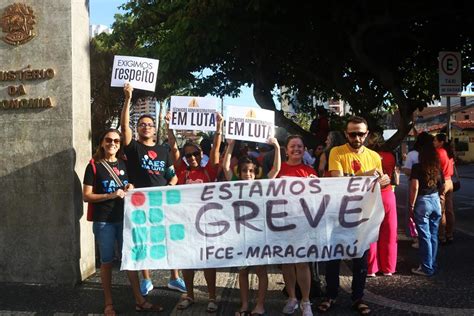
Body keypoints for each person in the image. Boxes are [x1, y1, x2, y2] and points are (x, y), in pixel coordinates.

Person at [83, 129, 163, 314]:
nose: (113, 143)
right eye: (109, 140)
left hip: (125, 219)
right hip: (104, 221)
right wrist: (110, 195)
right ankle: (109, 303)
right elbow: (86, 196)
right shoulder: (94, 166)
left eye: (116, 141)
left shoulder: (124, 164)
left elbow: (131, 184)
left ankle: (139, 300)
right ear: (102, 143)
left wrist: (130, 186)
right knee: (107, 262)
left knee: (129, 260)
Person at [318, 116, 390, 316]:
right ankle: (330, 295)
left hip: (362, 215)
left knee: (361, 258)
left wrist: (383, 180)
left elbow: (377, 183)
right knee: (333, 257)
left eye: (360, 133)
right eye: (352, 134)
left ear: (367, 134)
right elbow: (338, 181)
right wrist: (366, 175)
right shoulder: (336, 152)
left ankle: (358, 297)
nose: (357, 137)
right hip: (338, 213)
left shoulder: (375, 156)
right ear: (345, 134)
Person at [120, 83, 185, 296]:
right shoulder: (133, 148)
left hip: (162, 202)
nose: (146, 127)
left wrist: (170, 186)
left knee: (170, 237)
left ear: (155, 129)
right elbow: (124, 129)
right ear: (137, 129)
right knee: (142, 239)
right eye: (142, 125)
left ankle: (175, 277)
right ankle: (146, 279)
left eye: (149, 124)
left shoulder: (163, 150)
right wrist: (128, 99)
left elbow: (172, 175)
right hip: (139, 202)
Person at [167, 111, 224, 313]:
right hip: (185, 221)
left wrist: (218, 127)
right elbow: (173, 148)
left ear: (202, 155)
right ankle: (189, 295)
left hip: (207, 222)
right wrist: (169, 128)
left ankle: (211, 297)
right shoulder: (181, 170)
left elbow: (217, 147)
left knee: (208, 260)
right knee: (187, 259)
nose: (191, 157)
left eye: (195, 154)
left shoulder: (210, 169)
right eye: (188, 155)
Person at [223, 137, 281, 316]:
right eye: (244, 171)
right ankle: (245, 305)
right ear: (238, 173)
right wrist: (231, 145)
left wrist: (277, 147)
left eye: (251, 171)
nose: (248, 174)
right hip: (240, 235)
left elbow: (276, 169)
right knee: (243, 271)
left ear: (256, 172)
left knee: (260, 270)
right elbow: (225, 167)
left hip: (259, 235)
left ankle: (260, 305)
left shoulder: (262, 183)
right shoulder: (234, 183)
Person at [279, 135, 317, 316]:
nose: (296, 149)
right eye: (292, 146)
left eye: (300, 146)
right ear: (286, 150)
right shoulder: (278, 170)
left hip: (303, 223)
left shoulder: (310, 171)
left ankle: (306, 301)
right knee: (287, 262)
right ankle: (292, 297)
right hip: (281, 223)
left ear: (304, 150)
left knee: (302, 262)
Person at [409, 134, 443, 276]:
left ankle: (426, 267)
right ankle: (431, 263)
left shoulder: (417, 167)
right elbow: (442, 184)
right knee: (434, 235)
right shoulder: (437, 166)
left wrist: (411, 205)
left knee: (424, 236)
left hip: (423, 201)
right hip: (435, 200)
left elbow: (414, 187)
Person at [366, 133, 398, 277]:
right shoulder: (390, 156)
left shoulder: (367, 156)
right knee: (389, 232)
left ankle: (371, 268)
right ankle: (388, 267)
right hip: (388, 194)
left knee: (371, 231)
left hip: (372, 195)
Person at [434, 133, 455, 244]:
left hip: (442, 183)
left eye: (435, 141)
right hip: (450, 181)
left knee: (441, 211)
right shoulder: (450, 153)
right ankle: (450, 234)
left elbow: (436, 169)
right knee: (450, 210)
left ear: (441, 142)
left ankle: (441, 235)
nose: (434, 143)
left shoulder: (438, 152)